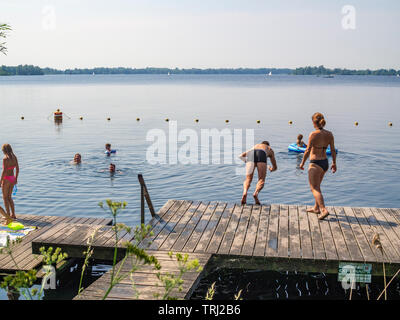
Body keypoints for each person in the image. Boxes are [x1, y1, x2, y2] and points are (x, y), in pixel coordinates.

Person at [299, 112, 337, 220]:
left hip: (315, 163)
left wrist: (302, 163)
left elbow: (307, 150)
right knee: (318, 187)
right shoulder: (330, 134)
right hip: (325, 163)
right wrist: (334, 163)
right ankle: (316, 208)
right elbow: (333, 150)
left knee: (314, 188)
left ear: (314, 122)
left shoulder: (313, 134)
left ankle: (323, 209)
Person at [1, 144, 19, 220]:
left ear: (4, 151)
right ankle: (13, 214)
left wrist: (0, 180)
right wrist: (15, 179)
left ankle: (8, 215)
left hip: (6, 179)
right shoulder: (14, 158)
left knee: (5, 198)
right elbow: (17, 169)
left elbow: (4, 171)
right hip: (12, 178)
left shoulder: (5, 159)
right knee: (9, 197)